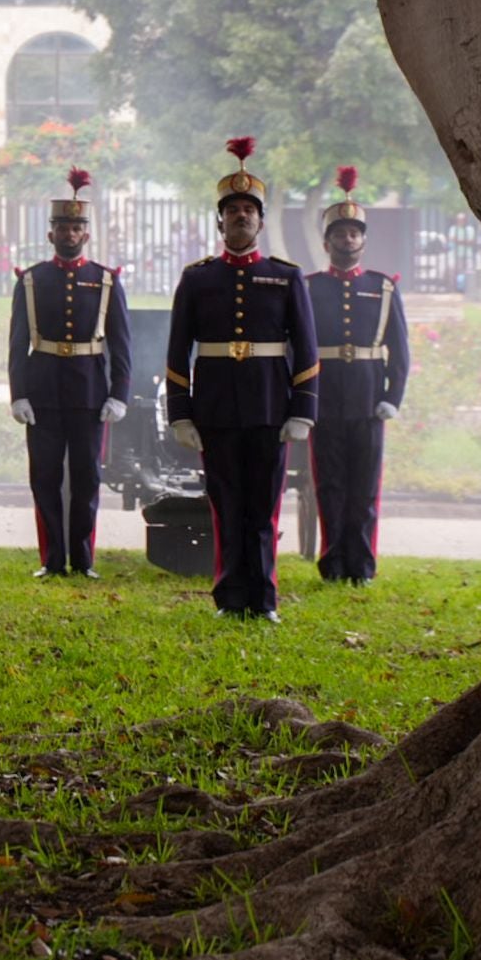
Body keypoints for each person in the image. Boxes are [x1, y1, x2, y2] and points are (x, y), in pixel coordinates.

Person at [164, 137, 319, 623]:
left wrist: (302, 410)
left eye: (249, 209)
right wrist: (181, 413)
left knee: (264, 507)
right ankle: (231, 597)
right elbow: (176, 351)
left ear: (261, 220)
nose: (241, 217)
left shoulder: (286, 277)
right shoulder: (197, 279)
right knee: (225, 507)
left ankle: (264, 598)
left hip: (270, 407)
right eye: (232, 209)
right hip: (215, 411)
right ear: (220, 220)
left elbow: (308, 350)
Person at [7, 167, 132, 580]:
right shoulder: (31, 280)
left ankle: (83, 559)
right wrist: (18, 394)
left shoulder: (106, 281)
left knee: (87, 479)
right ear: (50, 234)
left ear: (87, 234)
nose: (69, 233)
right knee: (43, 478)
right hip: (42, 390)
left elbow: (121, 344)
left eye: (77, 226)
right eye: (62, 226)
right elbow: (17, 343)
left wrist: (119, 394)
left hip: (90, 391)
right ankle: (52, 559)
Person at [305, 166, 410, 585]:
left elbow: (399, 349)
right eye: (339, 234)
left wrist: (392, 396)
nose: (347, 240)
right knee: (328, 485)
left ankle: (362, 566)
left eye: (354, 233)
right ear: (327, 241)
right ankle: (332, 563)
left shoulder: (382, 287)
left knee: (365, 489)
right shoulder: (310, 287)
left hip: (368, 400)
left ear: (363, 240)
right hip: (325, 396)